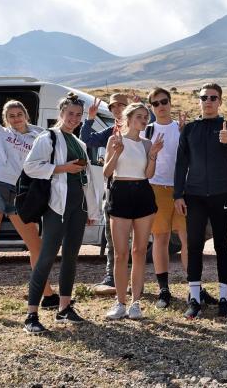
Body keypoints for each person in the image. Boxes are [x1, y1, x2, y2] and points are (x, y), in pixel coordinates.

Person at [0, 66, 57, 319]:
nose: (16, 118)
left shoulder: (40, 136)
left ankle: (47, 294)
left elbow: (60, 133)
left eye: (19, 114)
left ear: (26, 115)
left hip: (20, 195)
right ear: (6, 119)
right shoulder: (1, 134)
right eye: (11, 115)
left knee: (35, 245)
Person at [22, 93, 102, 334]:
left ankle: (64, 308)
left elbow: (86, 179)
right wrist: (62, 168)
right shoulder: (49, 138)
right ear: (61, 114)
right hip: (57, 207)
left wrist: (92, 209)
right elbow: (30, 166)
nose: (74, 119)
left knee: (71, 257)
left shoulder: (78, 142)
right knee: (46, 256)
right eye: (70, 114)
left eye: (78, 115)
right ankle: (31, 315)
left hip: (78, 207)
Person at [175, 83, 227, 319]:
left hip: (221, 194)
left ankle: (224, 298)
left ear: (220, 101)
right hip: (194, 195)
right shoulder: (190, 129)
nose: (208, 101)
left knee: (222, 244)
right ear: (199, 101)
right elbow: (181, 163)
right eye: (204, 97)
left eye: (213, 98)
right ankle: (194, 299)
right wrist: (177, 195)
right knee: (194, 245)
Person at [103, 103, 163, 320]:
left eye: (146, 117)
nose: (144, 120)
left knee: (139, 252)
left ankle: (136, 303)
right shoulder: (115, 140)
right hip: (120, 192)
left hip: (143, 194)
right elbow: (107, 172)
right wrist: (117, 153)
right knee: (121, 253)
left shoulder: (147, 144)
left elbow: (148, 174)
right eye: (139, 116)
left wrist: (154, 154)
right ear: (128, 118)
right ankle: (120, 302)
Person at [143, 87, 189, 309]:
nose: (161, 106)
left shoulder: (182, 129)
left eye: (164, 102)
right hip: (156, 188)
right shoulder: (147, 131)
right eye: (156, 103)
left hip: (182, 190)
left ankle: (194, 288)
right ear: (152, 107)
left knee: (187, 238)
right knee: (160, 239)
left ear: (171, 103)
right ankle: (163, 289)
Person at [81, 92, 130, 295]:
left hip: (136, 189)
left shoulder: (140, 130)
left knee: (134, 241)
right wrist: (90, 119)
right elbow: (87, 140)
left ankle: (131, 278)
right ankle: (112, 276)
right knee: (112, 237)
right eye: (113, 107)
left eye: (121, 105)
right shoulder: (109, 132)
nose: (117, 109)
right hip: (112, 189)